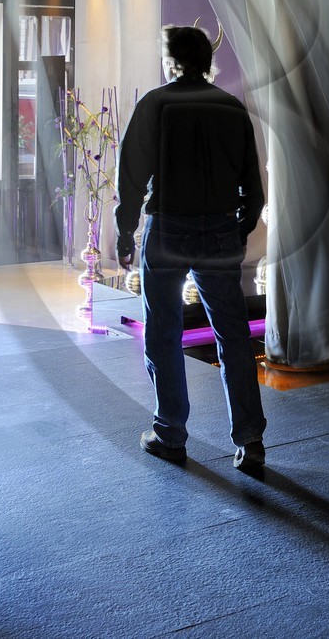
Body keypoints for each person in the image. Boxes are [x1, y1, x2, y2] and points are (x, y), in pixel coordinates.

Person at [115, 25, 268, 472]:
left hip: (168, 229)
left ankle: (169, 434)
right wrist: (237, 227)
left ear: (172, 61)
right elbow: (252, 185)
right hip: (220, 229)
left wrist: (126, 233)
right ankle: (250, 439)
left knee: (163, 333)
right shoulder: (231, 107)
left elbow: (131, 177)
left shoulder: (155, 104)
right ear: (207, 61)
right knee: (233, 337)